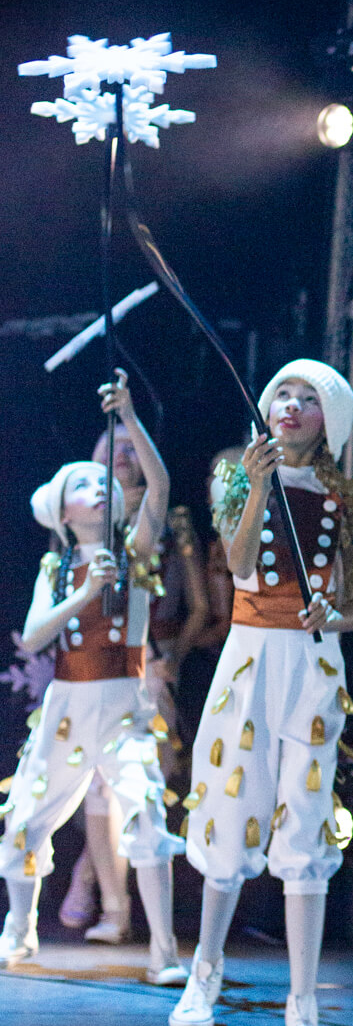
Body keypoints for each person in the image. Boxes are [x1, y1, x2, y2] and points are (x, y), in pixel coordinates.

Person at [168, 362, 353, 1026]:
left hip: (311, 667)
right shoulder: (238, 478)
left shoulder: (346, 499)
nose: (291, 405)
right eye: (283, 394)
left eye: (307, 399)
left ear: (328, 421)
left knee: (307, 824)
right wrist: (256, 487)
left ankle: (303, 1007)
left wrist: (330, 613)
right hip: (249, 662)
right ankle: (205, 970)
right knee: (229, 807)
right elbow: (240, 560)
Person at [0, 372, 184, 977]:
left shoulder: (134, 551)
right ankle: (20, 925)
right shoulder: (57, 568)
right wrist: (86, 593)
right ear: (61, 510)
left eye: (105, 481)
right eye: (83, 484)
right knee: (27, 818)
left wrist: (129, 415)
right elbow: (31, 636)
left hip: (126, 710)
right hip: (67, 709)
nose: (100, 488)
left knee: (147, 817)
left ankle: (161, 952)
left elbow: (157, 484)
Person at [59, 427, 209, 939]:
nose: (122, 455)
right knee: (99, 790)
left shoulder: (163, 520)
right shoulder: (84, 514)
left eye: (132, 446)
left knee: (143, 784)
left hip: (153, 664)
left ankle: (94, 880)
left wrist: (170, 656)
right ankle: (112, 908)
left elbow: (202, 610)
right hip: (94, 666)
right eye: (112, 445)